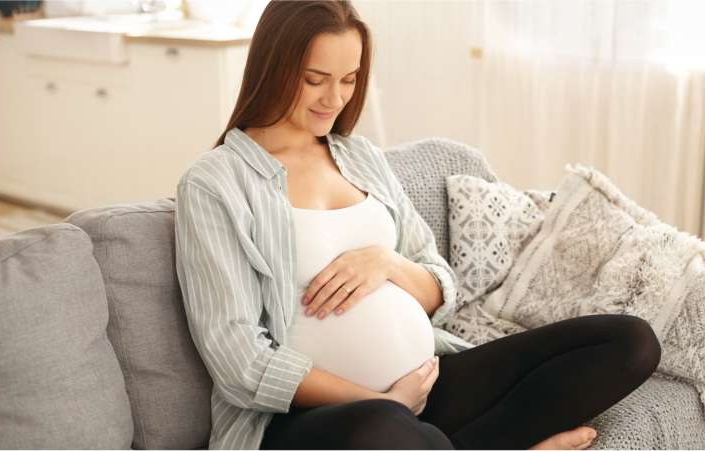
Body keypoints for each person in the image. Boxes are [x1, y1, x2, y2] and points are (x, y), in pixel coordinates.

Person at [174, 1, 662, 449]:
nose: (335, 98)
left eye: (349, 79)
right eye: (315, 79)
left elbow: (439, 285)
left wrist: (385, 263)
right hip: (311, 421)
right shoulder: (217, 183)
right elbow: (238, 360)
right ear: (273, 68)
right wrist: (382, 401)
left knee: (629, 342)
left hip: (428, 383)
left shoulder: (360, 157)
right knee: (382, 430)